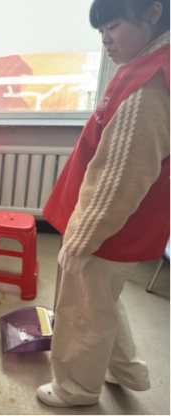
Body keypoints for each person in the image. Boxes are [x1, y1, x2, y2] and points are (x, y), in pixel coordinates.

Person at [38, 0, 169, 407]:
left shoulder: (150, 84)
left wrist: (82, 240)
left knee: (82, 310)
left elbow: (121, 181)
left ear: (152, 13)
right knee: (101, 299)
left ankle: (77, 388)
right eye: (100, 31)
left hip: (108, 230)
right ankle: (125, 369)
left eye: (113, 26)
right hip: (119, 227)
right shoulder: (147, 63)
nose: (105, 40)